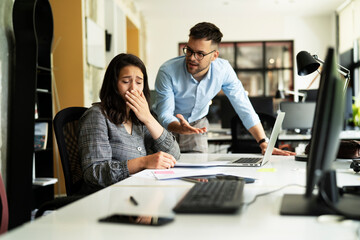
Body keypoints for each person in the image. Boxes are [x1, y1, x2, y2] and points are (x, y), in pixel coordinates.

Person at [155, 22, 295, 156]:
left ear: (214, 55)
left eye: (200, 54)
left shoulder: (223, 71)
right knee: (162, 170)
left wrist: (264, 142)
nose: (192, 57)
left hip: (197, 125)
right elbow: (165, 114)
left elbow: (244, 107)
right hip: (166, 126)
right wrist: (179, 128)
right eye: (189, 50)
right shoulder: (168, 71)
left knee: (198, 172)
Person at [78, 53, 181, 191]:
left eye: (139, 82)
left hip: (138, 191)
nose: (133, 89)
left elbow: (174, 155)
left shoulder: (138, 118)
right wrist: (143, 162)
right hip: (109, 198)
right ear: (113, 84)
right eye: (126, 82)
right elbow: (94, 173)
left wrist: (149, 118)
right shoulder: (97, 116)